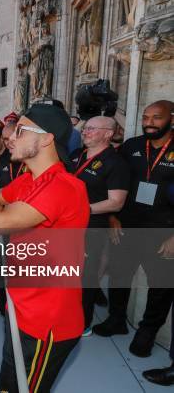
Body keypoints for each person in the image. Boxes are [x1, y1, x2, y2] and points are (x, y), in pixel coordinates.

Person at [0, 103, 90, 392]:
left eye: (22, 131)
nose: (11, 136)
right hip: (23, 308)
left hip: (45, 324)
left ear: (48, 138)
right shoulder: (30, 180)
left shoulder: (64, 186)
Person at [92, 100, 174, 359]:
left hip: (164, 232)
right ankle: (116, 319)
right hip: (127, 226)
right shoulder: (132, 146)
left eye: (156, 118)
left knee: (161, 286)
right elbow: (116, 182)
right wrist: (114, 217)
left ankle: (146, 332)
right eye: (146, 117)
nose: (149, 122)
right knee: (119, 274)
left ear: (171, 118)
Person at [70, 116, 130, 336]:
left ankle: (82, 323)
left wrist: (81, 210)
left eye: (91, 129)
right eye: (85, 128)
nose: (85, 132)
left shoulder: (116, 163)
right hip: (67, 226)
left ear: (108, 133)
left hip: (90, 228)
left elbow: (116, 202)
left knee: (85, 276)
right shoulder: (76, 155)